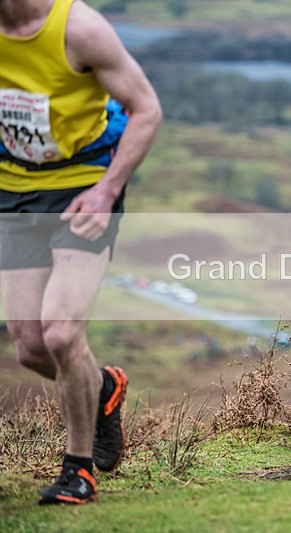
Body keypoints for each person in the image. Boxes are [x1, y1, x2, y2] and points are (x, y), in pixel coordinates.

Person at [0, 0, 162, 504]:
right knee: (30, 347)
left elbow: (146, 109)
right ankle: (102, 388)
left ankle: (79, 470)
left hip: (83, 190)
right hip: (13, 194)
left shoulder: (80, 28)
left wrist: (107, 190)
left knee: (62, 333)